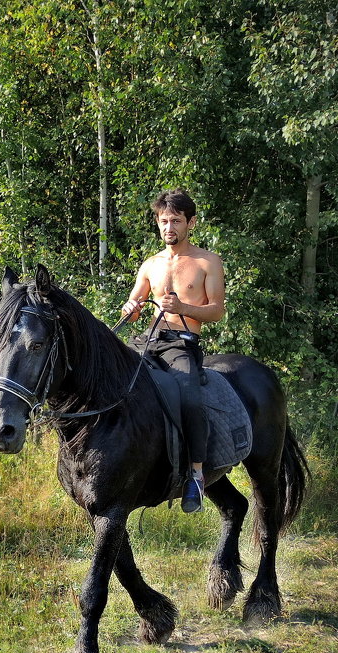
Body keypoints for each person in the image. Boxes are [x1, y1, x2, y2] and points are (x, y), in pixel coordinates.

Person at [122, 189, 225, 513]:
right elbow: (133, 306)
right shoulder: (150, 264)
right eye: (164, 221)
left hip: (182, 343)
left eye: (176, 221)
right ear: (158, 222)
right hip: (148, 339)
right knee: (116, 380)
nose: (169, 227)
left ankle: (195, 474)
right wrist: (131, 308)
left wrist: (182, 306)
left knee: (190, 398)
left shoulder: (207, 262)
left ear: (190, 222)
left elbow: (217, 311)